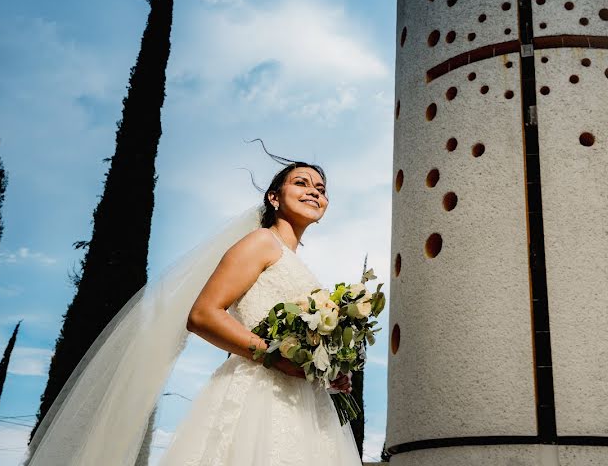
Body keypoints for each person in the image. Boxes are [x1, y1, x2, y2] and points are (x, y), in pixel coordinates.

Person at [25, 156, 364, 466]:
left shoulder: (301, 268)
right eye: (301, 183)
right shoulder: (261, 242)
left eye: (320, 189)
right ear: (274, 198)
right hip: (258, 393)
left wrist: (326, 368)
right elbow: (203, 315)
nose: (314, 192)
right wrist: (276, 358)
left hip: (304, 403)